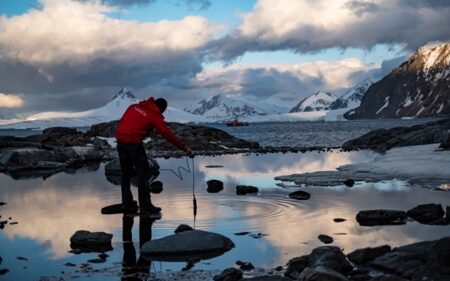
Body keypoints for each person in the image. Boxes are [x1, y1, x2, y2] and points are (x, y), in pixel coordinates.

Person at [116, 97, 193, 214]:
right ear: (162, 109)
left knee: (126, 173)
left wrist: (143, 131)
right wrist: (184, 148)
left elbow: (126, 122)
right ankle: (145, 206)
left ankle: (127, 204)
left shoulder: (134, 107)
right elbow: (167, 133)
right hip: (133, 143)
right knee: (144, 173)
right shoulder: (154, 115)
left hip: (120, 140)